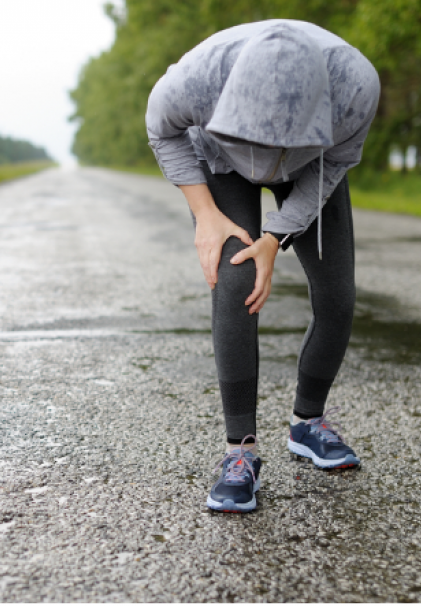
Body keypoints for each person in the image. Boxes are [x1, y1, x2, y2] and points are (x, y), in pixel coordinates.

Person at [145, 20, 380, 513]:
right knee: (237, 282)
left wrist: (276, 236)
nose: (265, 159)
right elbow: (161, 131)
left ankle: (308, 424)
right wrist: (207, 215)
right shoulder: (196, 78)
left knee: (338, 294)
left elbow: (335, 165)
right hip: (221, 163)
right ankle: (240, 453)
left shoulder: (356, 88)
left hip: (312, 168)